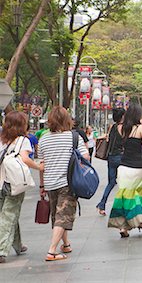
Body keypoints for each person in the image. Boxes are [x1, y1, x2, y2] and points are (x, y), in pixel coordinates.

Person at [38, 106, 89, 261]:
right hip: (68, 183)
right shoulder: (73, 137)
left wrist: (42, 185)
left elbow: (42, 165)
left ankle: (65, 244)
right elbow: (86, 157)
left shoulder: (43, 139)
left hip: (50, 183)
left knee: (58, 215)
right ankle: (52, 251)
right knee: (62, 216)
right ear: (67, 120)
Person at [0, 112, 41, 264]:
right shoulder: (23, 140)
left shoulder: (2, 139)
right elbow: (25, 159)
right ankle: (1, 250)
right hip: (14, 183)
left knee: (8, 214)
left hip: (1, 182)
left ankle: (18, 245)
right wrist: (38, 167)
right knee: (9, 215)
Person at [108, 103, 142, 237]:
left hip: (124, 167)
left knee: (125, 196)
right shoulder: (141, 128)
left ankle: (123, 227)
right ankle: (141, 220)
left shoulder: (122, 128)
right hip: (138, 167)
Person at [96, 108, 125, 216]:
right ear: (122, 116)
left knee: (111, 183)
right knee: (124, 183)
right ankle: (121, 208)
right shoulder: (124, 128)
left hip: (111, 158)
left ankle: (102, 204)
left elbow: (108, 139)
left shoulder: (112, 127)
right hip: (120, 157)